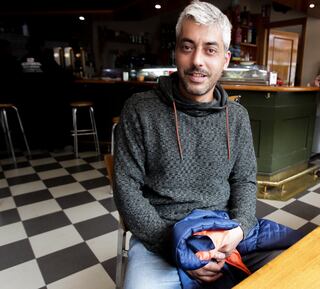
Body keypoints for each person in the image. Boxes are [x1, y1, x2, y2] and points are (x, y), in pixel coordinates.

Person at [113, 1, 283, 288]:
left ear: (225, 59)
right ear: (176, 51)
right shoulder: (140, 110)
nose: (197, 61)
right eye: (187, 47)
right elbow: (126, 187)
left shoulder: (237, 117)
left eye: (210, 49)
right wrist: (179, 248)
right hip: (162, 238)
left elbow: (244, 181)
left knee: (294, 271)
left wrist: (238, 230)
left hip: (224, 233)